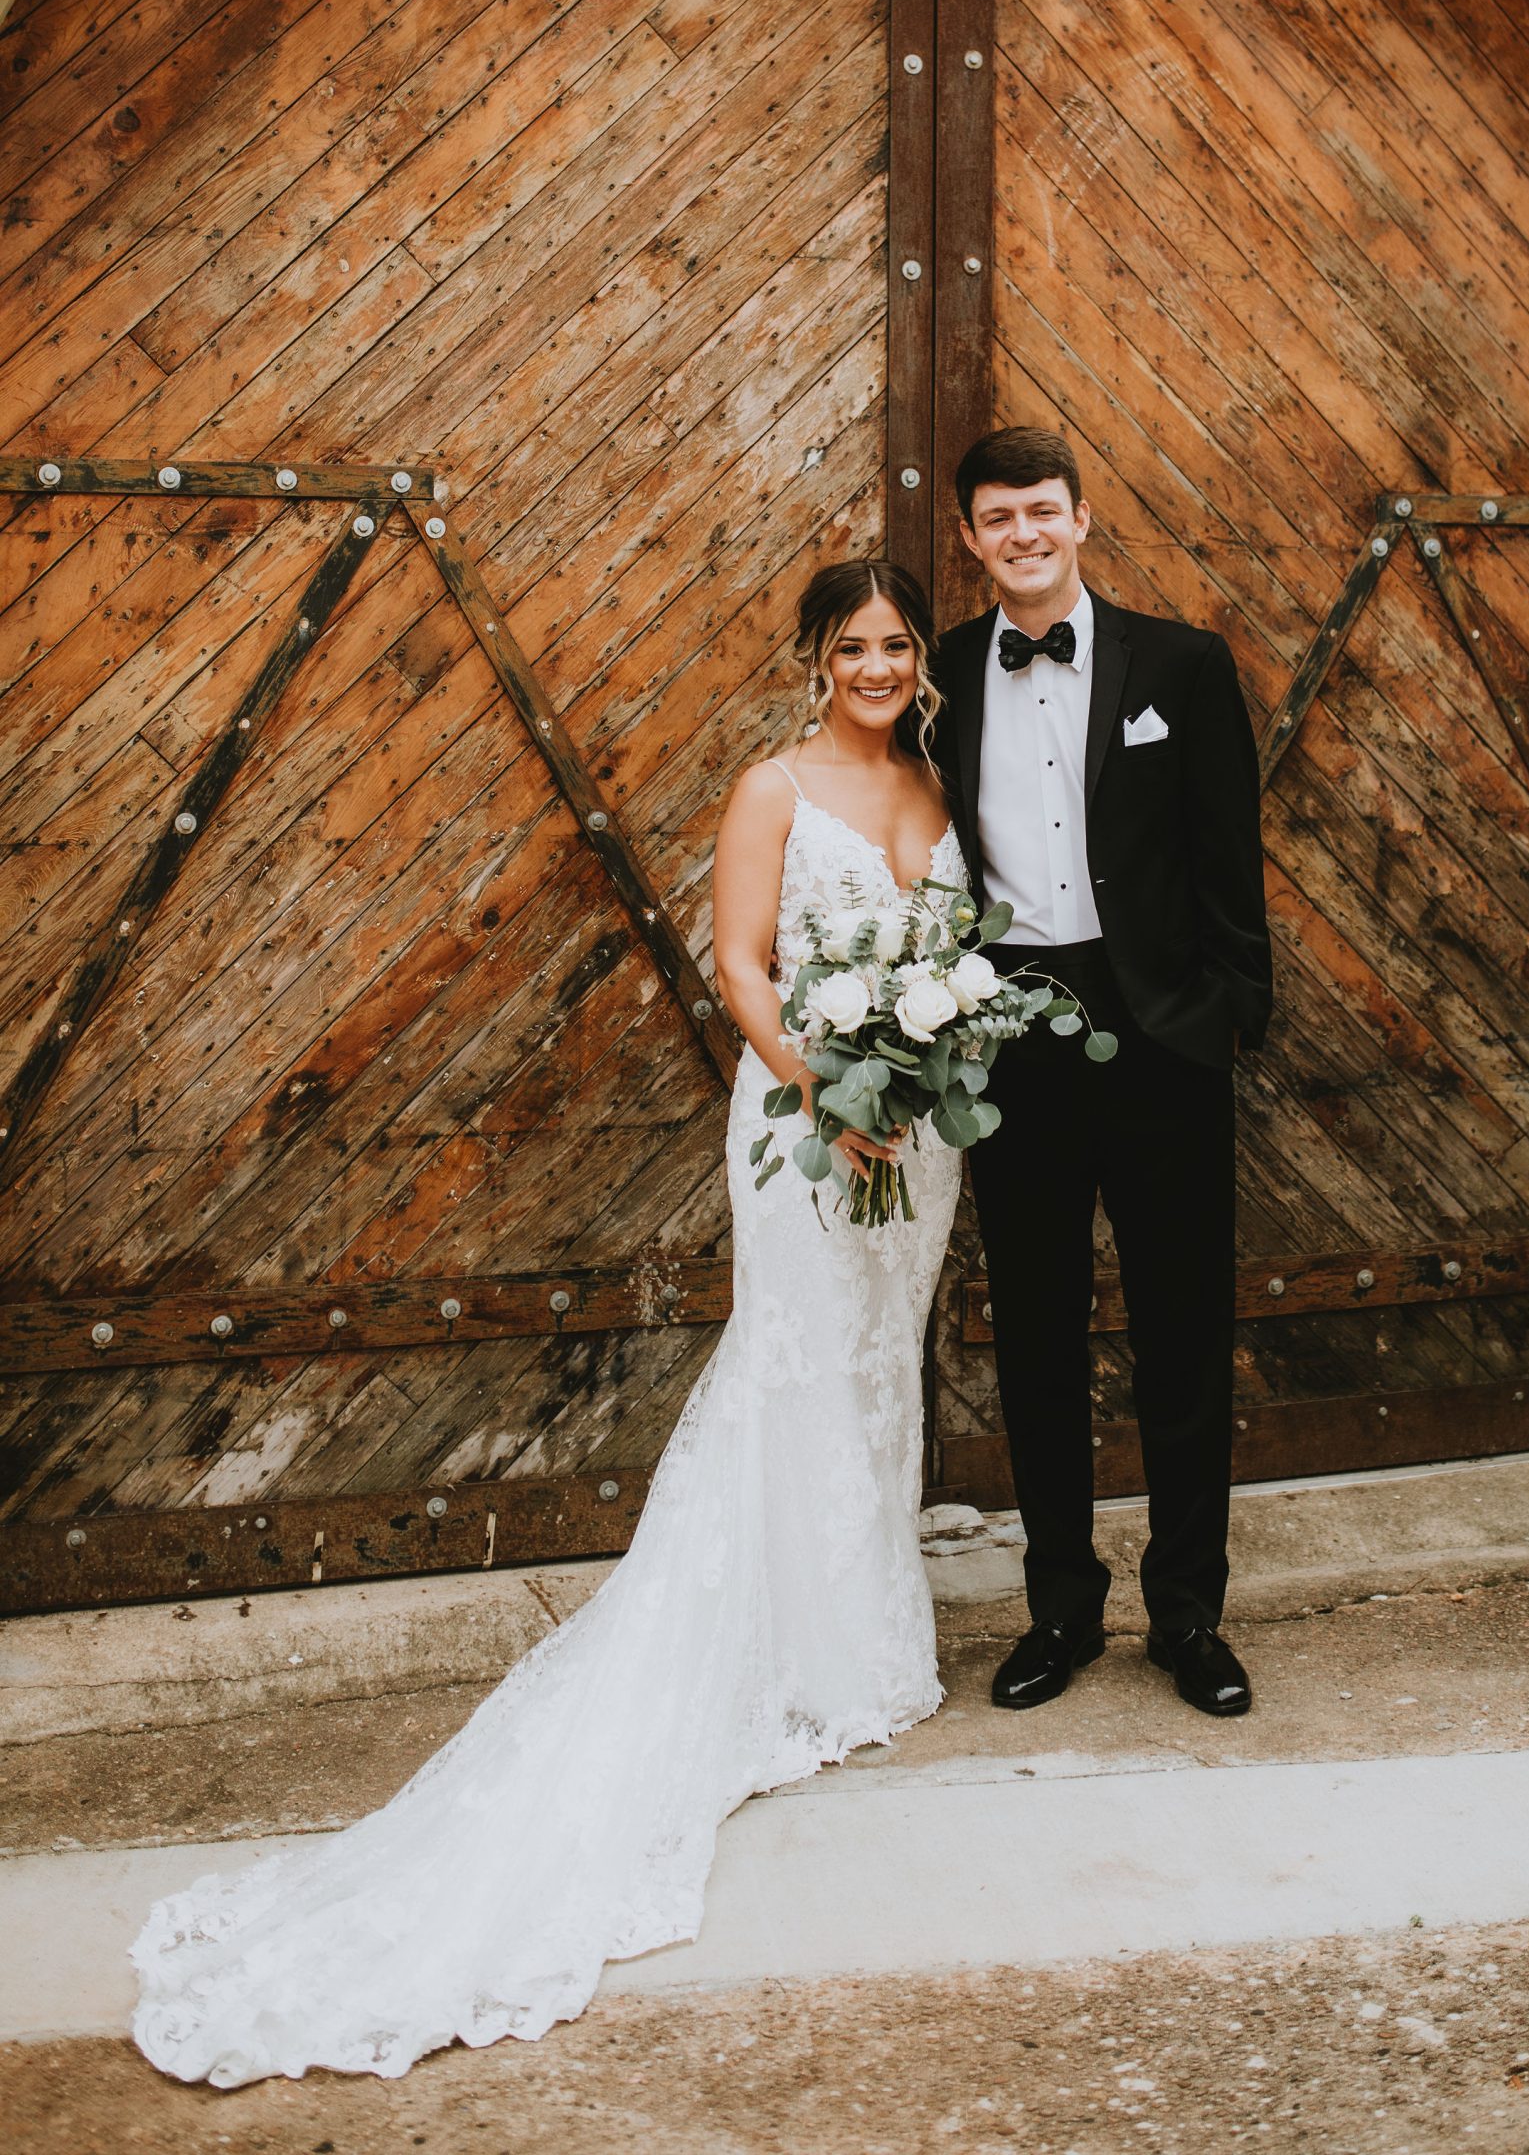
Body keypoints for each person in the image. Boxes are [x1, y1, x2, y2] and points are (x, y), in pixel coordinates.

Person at [129, 559, 967, 2087]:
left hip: (922, 1143)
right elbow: (738, 964)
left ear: (922, 657)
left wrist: (917, 1084)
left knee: (872, 1369)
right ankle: (776, 1644)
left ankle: (858, 1637)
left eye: (898, 643)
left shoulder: (929, 775)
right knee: (794, 1361)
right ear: (812, 658)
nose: (878, 665)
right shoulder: (772, 786)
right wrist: (829, 1094)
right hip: (807, 1123)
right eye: (852, 645)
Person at [936, 427, 1273, 1720]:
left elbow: (1224, 854)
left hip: (1162, 1036)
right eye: (998, 519)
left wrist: (1227, 1015)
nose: (1021, 534)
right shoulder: (947, 675)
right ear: (971, 539)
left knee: (1184, 1331)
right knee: (1034, 1333)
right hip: (1014, 1033)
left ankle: (1189, 1614)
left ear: (1082, 519)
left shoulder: (1179, 665)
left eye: (1042, 511)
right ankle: (1061, 1610)